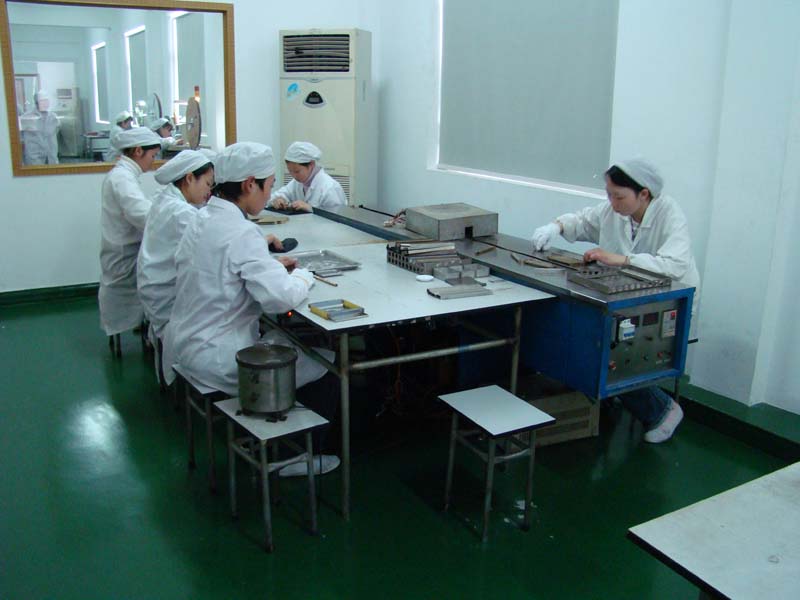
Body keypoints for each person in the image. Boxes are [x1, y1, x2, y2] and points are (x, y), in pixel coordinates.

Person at [163, 142, 339, 474]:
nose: (270, 193)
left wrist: (268, 266)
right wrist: (303, 275)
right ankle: (290, 457)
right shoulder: (240, 231)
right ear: (249, 184)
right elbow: (280, 299)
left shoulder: (202, 218)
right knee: (327, 363)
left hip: (187, 342)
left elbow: (226, 267)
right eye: (269, 185)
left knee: (284, 340)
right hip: (218, 356)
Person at [531, 158, 700, 443]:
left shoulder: (669, 214)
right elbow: (583, 221)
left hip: (667, 300)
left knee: (611, 354)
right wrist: (555, 227)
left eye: (618, 196)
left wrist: (621, 259)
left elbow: (674, 265)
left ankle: (662, 411)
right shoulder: (615, 211)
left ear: (644, 194)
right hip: (625, 295)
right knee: (594, 341)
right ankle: (607, 400)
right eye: (608, 194)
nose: (612, 202)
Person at [137, 150, 215, 359]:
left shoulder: (166, 199)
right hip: (166, 297)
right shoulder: (181, 212)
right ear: (189, 178)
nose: (209, 192)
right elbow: (217, 245)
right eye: (208, 184)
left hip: (154, 288)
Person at [98, 127, 162, 339]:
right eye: (152, 155)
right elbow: (140, 214)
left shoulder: (125, 175)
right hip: (125, 252)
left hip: (125, 246)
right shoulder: (122, 178)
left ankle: (145, 325)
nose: (153, 161)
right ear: (138, 151)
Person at [269, 141, 346, 212]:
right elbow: (273, 197)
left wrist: (311, 209)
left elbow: (337, 216)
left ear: (311, 164)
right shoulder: (296, 183)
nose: (293, 176)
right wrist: (277, 200)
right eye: (290, 171)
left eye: (297, 171)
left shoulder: (330, 188)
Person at [19, 90, 60, 165]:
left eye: (46, 100)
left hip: (51, 155)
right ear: (36, 102)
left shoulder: (53, 117)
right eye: (42, 101)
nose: (45, 103)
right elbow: (20, 137)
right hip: (34, 157)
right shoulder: (27, 117)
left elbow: (55, 132)